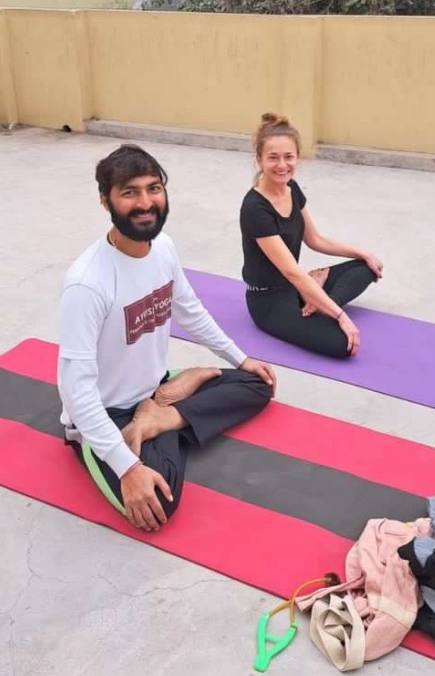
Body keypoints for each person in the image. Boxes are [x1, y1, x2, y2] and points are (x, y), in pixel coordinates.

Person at [58, 144, 276, 534]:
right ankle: (169, 409)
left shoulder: (164, 248)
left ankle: (161, 415)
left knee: (258, 383)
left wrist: (240, 359)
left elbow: (190, 310)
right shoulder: (87, 284)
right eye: (130, 192)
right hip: (107, 416)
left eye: (153, 188)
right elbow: (76, 390)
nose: (145, 203)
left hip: (156, 387)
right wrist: (127, 468)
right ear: (105, 201)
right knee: (159, 504)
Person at [240, 113, 383, 359]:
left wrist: (364, 253)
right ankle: (319, 297)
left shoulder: (291, 188)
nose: (282, 165)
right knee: (342, 344)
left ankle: (317, 300)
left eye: (288, 156)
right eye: (273, 157)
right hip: (269, 301)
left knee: (366, 268)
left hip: (296, 284)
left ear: (297, 157)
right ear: (259, 160)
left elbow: (315, 240)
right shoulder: (255, 208)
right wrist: (340, 315)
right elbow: (291, 272)